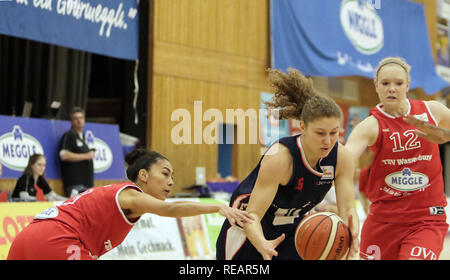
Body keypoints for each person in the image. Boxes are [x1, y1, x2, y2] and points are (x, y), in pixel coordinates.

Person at [216, 68, 359, 260]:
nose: (328, 141)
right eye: (320, 133)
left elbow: (348, 208)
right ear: (303, 127)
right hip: (247, 228)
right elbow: (253, 215)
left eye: (334, 132)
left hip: (292, 229)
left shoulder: (342, 157)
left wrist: (352, 237)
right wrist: (262, 245)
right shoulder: (280, 158)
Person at [7, 149, 254, 260]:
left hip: (27, 237)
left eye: (173, 176)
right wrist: (218, 206)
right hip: (57, 238)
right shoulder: (131, 194)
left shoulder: (119, 196)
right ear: (144, 175)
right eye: (165, 174)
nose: (171, 182)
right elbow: (171, 209)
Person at [345, 57, 450, 260]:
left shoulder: (432, 111)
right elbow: (344, 162)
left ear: (407, 85)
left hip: (426, 219)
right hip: (383, 222)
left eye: (398, 83)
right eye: (385, 83)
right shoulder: (370, 126)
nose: (392, 89)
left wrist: (443, 135)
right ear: (376, 86)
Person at [59, 107, 95, 197]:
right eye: (76, 118)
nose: (79, 121)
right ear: (71, 121)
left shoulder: (83, 136)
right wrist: (86, 156)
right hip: (75, 185)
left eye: (81, 118)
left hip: (87, 184)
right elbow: (64, 155)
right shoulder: (69, 135)